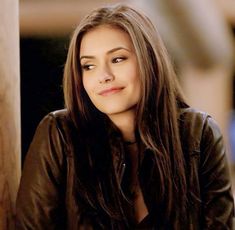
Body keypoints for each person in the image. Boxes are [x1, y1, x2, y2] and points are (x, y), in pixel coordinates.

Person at [15, 4, 234, 229]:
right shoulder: (60, 134)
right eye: (89, 66)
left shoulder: (199, 133)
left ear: (149, 60)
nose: (104, 76)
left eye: (118, 59)